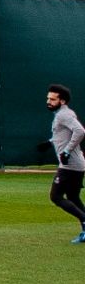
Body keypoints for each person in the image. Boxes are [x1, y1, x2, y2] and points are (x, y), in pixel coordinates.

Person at [44, 84, 85, 242]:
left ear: (62, 101)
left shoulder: (64, 115)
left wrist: (67, 151)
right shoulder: (62, 114)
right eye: (48, 98)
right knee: (73, 197)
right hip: (76, 164)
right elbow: (63, 134)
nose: (48, 101)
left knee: (55, 196)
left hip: (70, 165)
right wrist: (50, 142)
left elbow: (80, 131)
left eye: (52, 99)